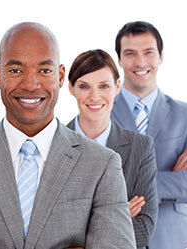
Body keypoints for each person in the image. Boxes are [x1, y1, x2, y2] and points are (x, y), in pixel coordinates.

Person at [0, 22, 136, 249]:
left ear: (61, 75)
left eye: (44, 70)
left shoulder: (102, 164)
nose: (30, 84)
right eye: (16, 70)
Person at [111, 21, 187, 249]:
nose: (140, 62)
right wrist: (172, 178)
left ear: (161, 57)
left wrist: (130, 186)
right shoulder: (100, 115)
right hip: (118, 236)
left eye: (148, 52)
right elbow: (94, 183)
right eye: (130, 53)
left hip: (173, 238)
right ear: (119, 59)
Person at [66, 49, 158, 248]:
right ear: (71, 88)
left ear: (117, 86)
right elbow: (44, 230)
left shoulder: (140, 148)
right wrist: (117, 215)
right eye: (84, 86)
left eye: (104, 86)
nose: (95, 96)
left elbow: (144, 229)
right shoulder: (50, 144)